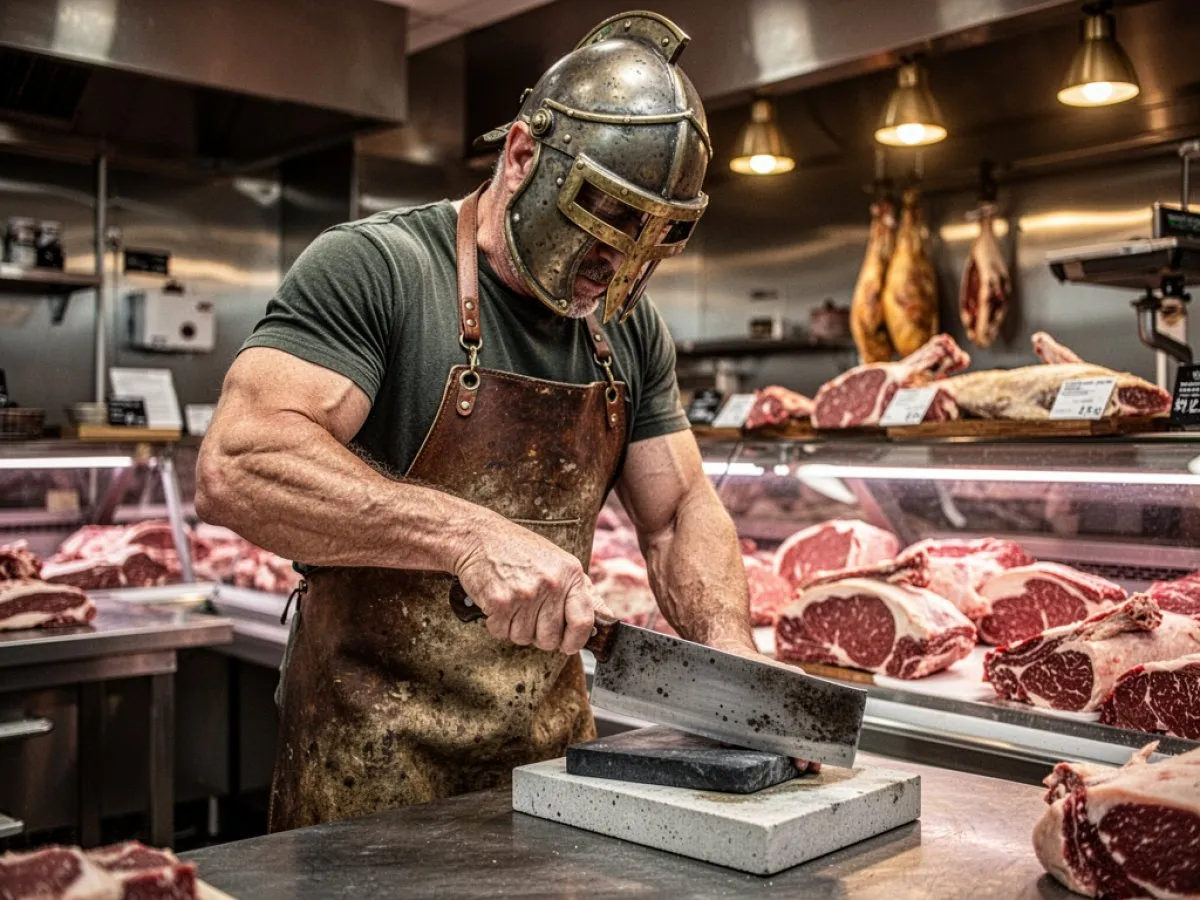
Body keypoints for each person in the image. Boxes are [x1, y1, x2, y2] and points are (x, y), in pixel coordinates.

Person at [196, 10, 764, 832]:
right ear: (523, 154)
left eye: (652, 240)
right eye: (604, 220)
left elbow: (677, 514)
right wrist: (467, 536)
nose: (616, 270)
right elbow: (239, 465)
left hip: (550, 772)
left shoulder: (628, 327)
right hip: (364, 776)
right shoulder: (377, 268)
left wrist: (732, 656)